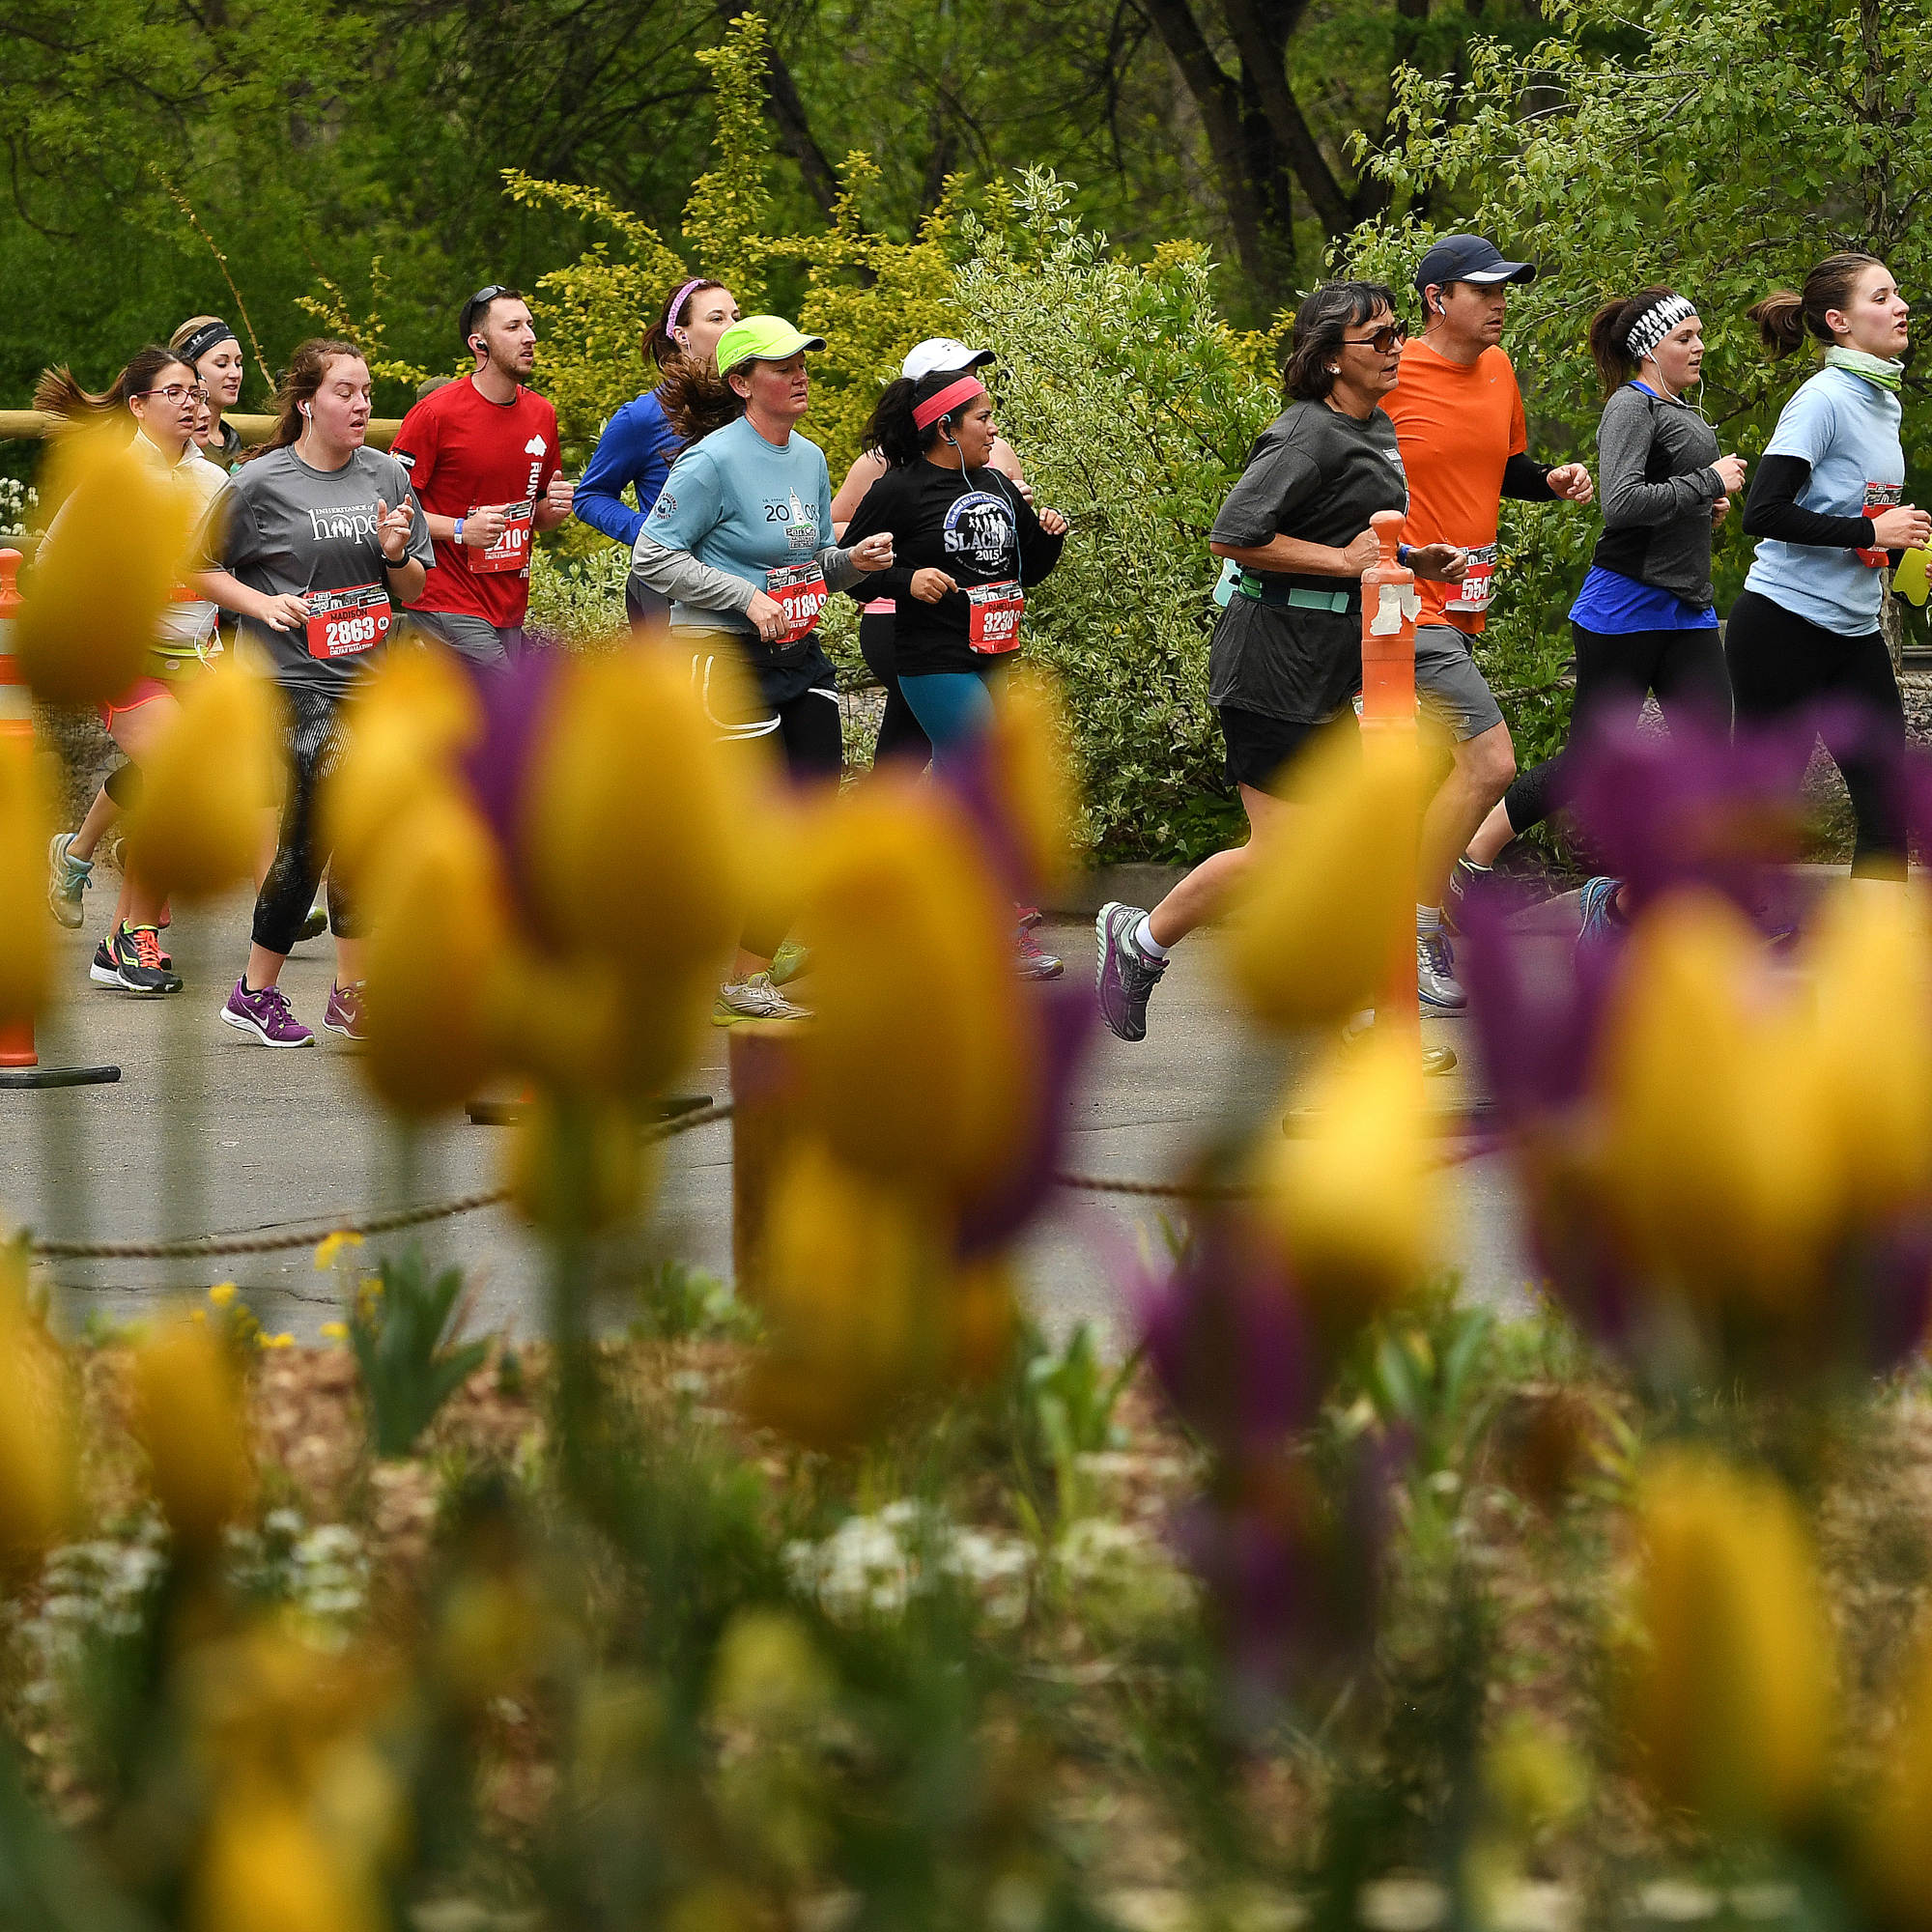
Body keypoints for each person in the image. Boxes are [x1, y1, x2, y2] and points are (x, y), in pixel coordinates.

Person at [1094, 282, 1466, 1043]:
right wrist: (1342, 560)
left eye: (1398, 332)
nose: (1398, 347)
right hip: (1267, 667)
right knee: (1286, 854)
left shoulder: (1377, 427)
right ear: (1331, 360)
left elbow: (1359, 543)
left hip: (1337, 669)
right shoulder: (1307, 434)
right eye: (1380, 339)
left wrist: (1410, 559)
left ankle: (1366, 1013)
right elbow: (1234, 533)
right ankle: (1139, 940)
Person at [630, 315, 896, 1023]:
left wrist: (851, 564)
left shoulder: (808, 458)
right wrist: (745, 598)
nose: (801, 373)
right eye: (783, 365)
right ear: (744, 383)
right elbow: (652, 557)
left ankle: (744, 979)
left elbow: (804, 566)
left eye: (805, 360)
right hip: (721, 657)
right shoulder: (711, 461)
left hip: (797, 652)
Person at [1462, 287, 1746, 938]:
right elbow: (1620, 503)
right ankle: (1471, 859)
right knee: (1588, 763)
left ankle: (1679, 906)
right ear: (1649, 349)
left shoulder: (1676, 407)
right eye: (1685, 337)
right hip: (1626, 607)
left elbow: (1666, 493)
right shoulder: (1630, 406)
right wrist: (1707, 483)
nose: (1700, 346)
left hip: (1686, 611)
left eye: (1700, 334)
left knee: (1709, 762)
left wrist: (1704, 505)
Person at [195, 337, 432, 1047]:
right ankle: (253, 990)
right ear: (307, 403)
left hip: (370, 681)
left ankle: (348, 992)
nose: (362, 405)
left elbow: (415, 586)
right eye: (345, 392)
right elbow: (199, 569)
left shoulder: (388, 476)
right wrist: (260, 605)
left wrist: (393, 553)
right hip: (290, 682)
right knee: (319, 828)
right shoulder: (259, 483)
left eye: (366, 393)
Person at [1379, 233, 1593, 1009]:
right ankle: (1417, 923)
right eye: (1485, 290)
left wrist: (1553, 480)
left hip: (1461, 607)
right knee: (1490, 763)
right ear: (1438, 299)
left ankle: (1394, 916)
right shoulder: (1390, 369)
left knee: (1421, 774)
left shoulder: (1499, 369)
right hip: (1400, 602)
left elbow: (1502, 468)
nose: (1501, 303)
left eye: (1505, 290)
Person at [838, 361, 1070, 978]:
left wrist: (1048, 535)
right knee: (988, 774)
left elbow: (1024, 572)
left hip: (997, 650)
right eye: (983, 417)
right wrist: (905, 579)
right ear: (945, 426)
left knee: (956, 790)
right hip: (931, 658)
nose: (994, 429)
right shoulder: (898, 490)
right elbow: (848, 572)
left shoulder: (993, 483)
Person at [1725, 252, 1929, 884]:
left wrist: (1908, 559)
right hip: (1781, 627)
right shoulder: (1822, 401)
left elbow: (1864, 517)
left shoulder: (1881, 401)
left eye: (1898, 295)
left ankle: (1875, 972)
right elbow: (1763, 511)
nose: (1900, 307)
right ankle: (1671, 938)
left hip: (1854, 632)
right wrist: (1873, 529)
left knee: (1886, 811)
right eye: (1882, 297)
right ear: (1839, 321)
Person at [36, 346, 226, 994]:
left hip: (198, 660)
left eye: (194, 393)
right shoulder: (111, 480)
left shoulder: (214, 483)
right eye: (174, 392)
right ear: (139, 405)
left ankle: (106, 917)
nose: (190, 403)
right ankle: (132, 933)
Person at [830, 338, 1032, 768]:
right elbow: (841, 550)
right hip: (912, 629)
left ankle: (892, 829)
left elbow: (1020, 553)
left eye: (973, 372)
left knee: (933, 757)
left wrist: (1039, 526)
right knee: (973, 755)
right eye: (960, 374)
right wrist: (909, 575)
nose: (971, 381)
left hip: (988, 634)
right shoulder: (889, 473)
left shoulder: (992, 462)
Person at [390, 287, 572, 668]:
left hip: (508, 602)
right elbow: (392, 512)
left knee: (487, 724)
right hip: (445, 597)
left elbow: (534, 515)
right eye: (513, 327)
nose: (530, 337)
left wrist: (552, 511)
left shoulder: (542, 414)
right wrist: (460, 529)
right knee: (508, 706)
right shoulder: (435, 414)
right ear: (479, 344)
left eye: (530, 325)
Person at [575, 276, 741, 626]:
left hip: (743, 581)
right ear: (682, 335)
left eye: (736, 317)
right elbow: (590, 496)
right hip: (666, 590)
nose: (732, 327)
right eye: (717, 318)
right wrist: (647, 531)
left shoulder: (752, 406)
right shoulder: (643, 416)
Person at [169, 317, 247, 469]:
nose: (235, 373)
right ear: (189, 367)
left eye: (238, 363)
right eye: (221, 364)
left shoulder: (232, 438)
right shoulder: (179, 440)